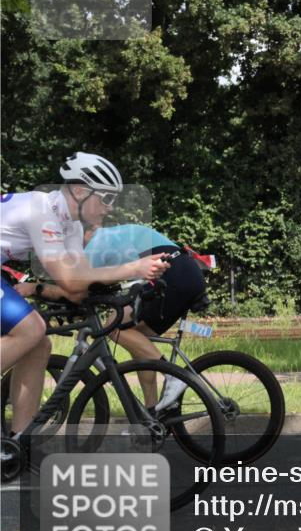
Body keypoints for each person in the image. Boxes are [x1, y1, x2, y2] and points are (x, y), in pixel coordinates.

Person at [0, 153, 170, 435]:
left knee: (38, 344)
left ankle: (18, 444)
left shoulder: (71, 224)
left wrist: (124, 287)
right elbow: (70, 279)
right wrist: (133, 267)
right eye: (105, 198)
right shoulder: (41, 211)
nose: (109, 207)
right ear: (79, 191)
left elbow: (78, 287)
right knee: (31, 329)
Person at [82, 223, 207, 410]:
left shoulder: (95, 242)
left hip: (173, 272)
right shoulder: (113, 236)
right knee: (137, 342)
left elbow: (77, 284)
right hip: (184, 271)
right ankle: (152, 414)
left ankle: (174, 377)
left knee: (114, 327)